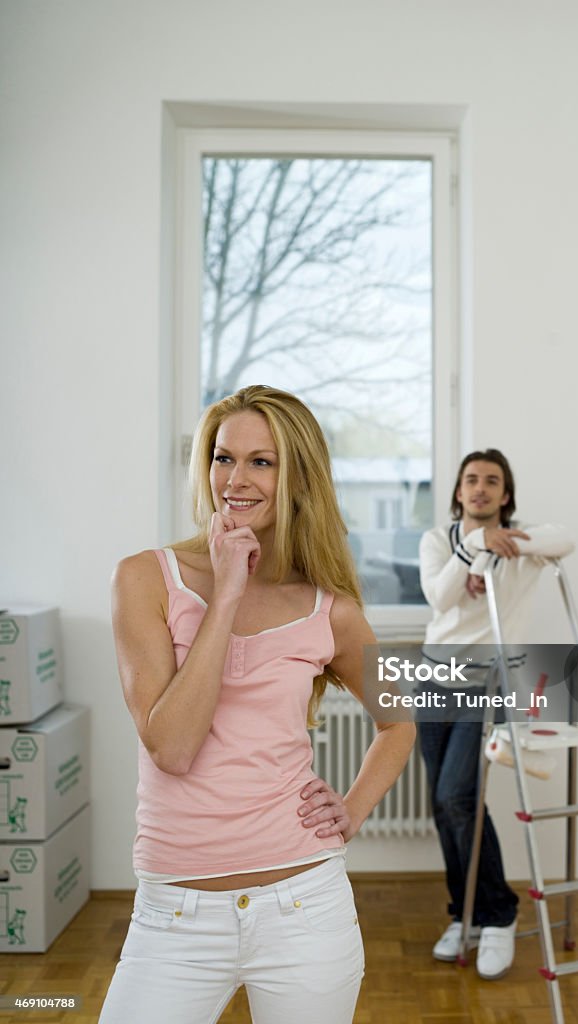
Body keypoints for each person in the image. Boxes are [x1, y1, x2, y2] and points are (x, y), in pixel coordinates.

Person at [99, 385, 415, 1024]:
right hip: (175, 919)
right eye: (222, 458)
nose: (234, 480)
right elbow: (173, 745)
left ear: (297, 477)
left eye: (260, 461)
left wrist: (351, 812)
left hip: (305, 907)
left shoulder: (333, 610)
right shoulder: (144, 579)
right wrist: (227, 591)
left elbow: (399, 719)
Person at [418, 448, 573, 980]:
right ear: (458, 492)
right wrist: (477, 546)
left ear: (505, 495)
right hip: (435, 682)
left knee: (457, 797)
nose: (480, 488)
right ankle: (465, 915)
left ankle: (498, 914)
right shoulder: (439, 541)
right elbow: (439, 600)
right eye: (471, 480)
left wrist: (501, 542)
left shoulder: (523, 543)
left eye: (491, 481)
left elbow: (566, 539)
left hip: (491, 683)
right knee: (444, 807)